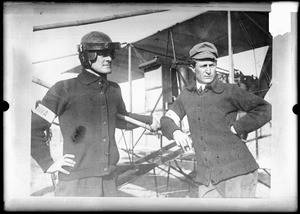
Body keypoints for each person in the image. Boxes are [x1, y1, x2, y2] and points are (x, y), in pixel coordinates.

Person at [31, 31, 160, 197]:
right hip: (75, 183)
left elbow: (122, 119)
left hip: (109, 181)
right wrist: (47, 163)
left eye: (110, 54)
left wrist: (149, 120)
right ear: (86, 57)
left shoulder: (113, 89)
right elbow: (34, 127)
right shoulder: (64, 88)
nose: (109, 59)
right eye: (101, 54)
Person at [160, 42, 271, 198]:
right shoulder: (186, 95)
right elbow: (166, 120)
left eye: (211, 65)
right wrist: (176, 132)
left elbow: (265, 109)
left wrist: (237, 128)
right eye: (203, 66)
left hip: (237, 173)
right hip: (207, 178)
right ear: (192, 68)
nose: (208, 71)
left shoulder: (229, 91)